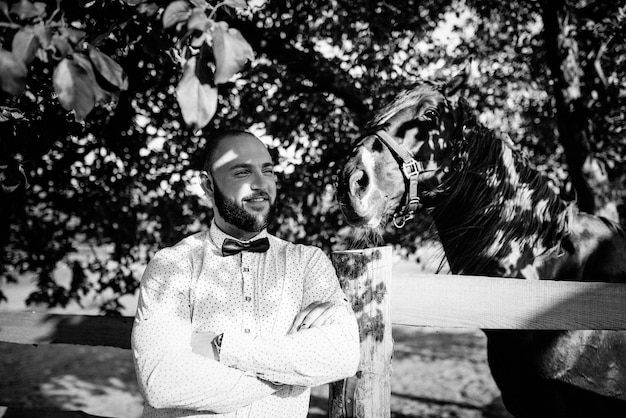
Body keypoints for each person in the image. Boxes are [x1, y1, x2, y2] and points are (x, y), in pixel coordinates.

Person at [131, 129, 360, 417]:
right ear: (208, 185)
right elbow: (161, 382)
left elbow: (342, 354)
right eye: (241, 172)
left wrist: (218, 346)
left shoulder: (308, 263)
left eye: (268, 171)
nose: (260, 184)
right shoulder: (171, 266)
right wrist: (289, 374)